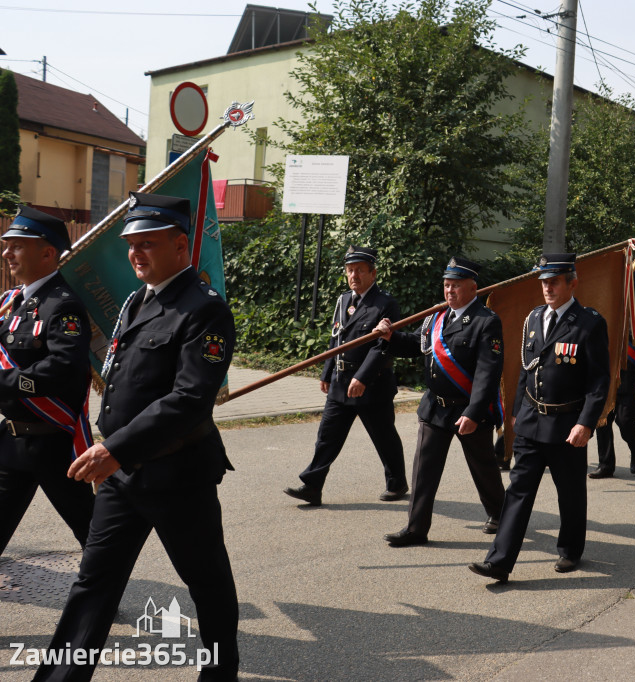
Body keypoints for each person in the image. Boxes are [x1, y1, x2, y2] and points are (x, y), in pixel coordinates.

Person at [37, 192, 239, 681]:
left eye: (147, 243)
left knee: (207, 584)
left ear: (180, 245)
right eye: (131, 244)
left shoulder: (204, 310)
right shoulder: (135, 300)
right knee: (94, 583)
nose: (136, 254)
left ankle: (219, 674)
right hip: (123, 475)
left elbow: (190, 400)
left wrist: (114, 447)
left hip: (178, 475)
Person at [469, 253, 609, 583]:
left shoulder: (589, 322)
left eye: (554, 282)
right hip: (532, 421)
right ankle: (499, 561)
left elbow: (599, 380)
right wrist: (517, 412)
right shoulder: (533, 318)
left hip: (567, 425)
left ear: (572, 283)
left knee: (570, 493)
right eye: (544, 282)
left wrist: (586, 423)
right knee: (518, 491)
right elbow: (526, 371)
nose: (547, 288)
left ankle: (571, 550)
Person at [374, 258, 506, 546]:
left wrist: (474, 412)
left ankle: (500, 514)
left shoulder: (486, 321)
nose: (450, 291)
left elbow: (488, 372)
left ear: (473, 288)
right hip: (435, 407)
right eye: (447, 285)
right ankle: (415, 529)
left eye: (456, 286)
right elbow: (415, 346)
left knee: (483, 467)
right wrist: (390, 337)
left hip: (468, 408)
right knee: (424, 470)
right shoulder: (436, 318)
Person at [0, 207, 94, 557]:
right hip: (12, 443)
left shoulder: (62, 306)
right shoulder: (13, 303)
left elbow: (62, 369)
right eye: (6, 245)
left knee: (91, 533)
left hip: (53, 444)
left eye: (17, 245)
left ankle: (101, 600)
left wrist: (5, 382)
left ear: (47, 252)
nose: (7, 252)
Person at [285, 246, 408, 506]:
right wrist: (327, 371)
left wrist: (362, 377)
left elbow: (382, 348)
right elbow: (336, 340)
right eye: (350, 271)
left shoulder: (385, 304)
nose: (354, 275)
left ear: (373, 273)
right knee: (327, 437)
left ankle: (397, 483)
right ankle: (312, 486)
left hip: (372, 385)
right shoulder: (343, 301)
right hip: (341, 385)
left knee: (384, 436)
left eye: (360, 271)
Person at [592, 300, 635, 477]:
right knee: (602, 421)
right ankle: (605, 465)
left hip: (628, 379)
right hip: (605, 377)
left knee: (625, 420)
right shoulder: (605, 310)